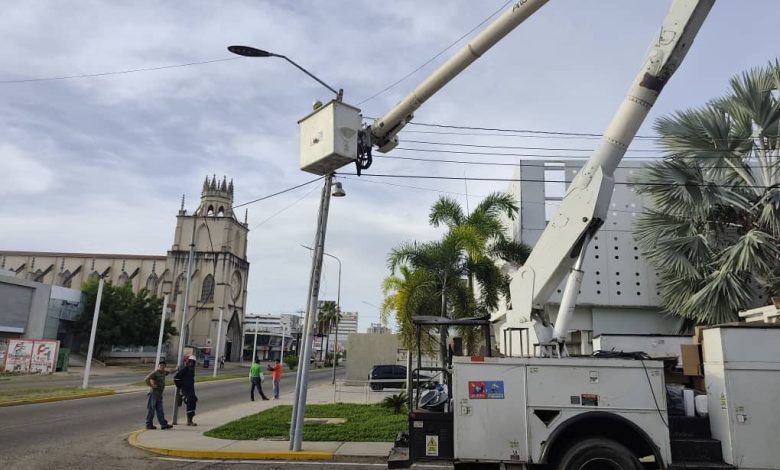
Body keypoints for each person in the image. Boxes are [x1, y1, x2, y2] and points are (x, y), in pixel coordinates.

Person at [144, 359, 173, 430]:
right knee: (151, 409)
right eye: (161, 365)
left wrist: (177, 368)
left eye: (163, 365)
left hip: (159, 394)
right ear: (158, 366)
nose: (162, 366)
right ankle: (148, 424)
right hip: (154, 393)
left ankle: (163, 424)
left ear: (165, 366)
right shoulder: (155, 372)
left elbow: (170, 371)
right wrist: (152, 386)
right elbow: (146, 379)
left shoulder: (163, 372)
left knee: (160, 410)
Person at [173, 355, 198, 426]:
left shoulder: (192, 370)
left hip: (191, 389)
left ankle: (190, 420)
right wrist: (180, 386)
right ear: (188, 362)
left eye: (193, 362)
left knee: (194, 400)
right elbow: (176, 378)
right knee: (190, 401)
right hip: (185, 389)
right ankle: (189, 421)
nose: (192, 363)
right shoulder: (184, 370)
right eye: (190, 362)